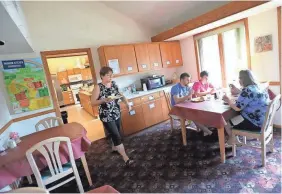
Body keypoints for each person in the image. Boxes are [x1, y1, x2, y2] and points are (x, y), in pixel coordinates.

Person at [91, 67, 133, 166]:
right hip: (106, 115)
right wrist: (104, 100)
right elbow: (93, 102)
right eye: (108, 75)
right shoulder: (98, 87)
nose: (111, 77)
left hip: (116, 112)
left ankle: (114, 147)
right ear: (102, 76)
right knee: (116, 135)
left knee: (117, 132)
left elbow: (120, 95)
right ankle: (126, 158)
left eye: (111, 75)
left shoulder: (114, 84)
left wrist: (127, 103)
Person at [223, 70, 270, 142]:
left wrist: (228, 100)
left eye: (240, 78)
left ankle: (234, 140)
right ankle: (234, 138)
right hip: (265, 120)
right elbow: (251, 95)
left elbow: (237, 108)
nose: (239, 80)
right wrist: (239, 91)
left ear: (243, 79)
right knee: (236, 117)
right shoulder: (258, 87)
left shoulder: (247, 90)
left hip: (255, 123)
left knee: (226, 124)